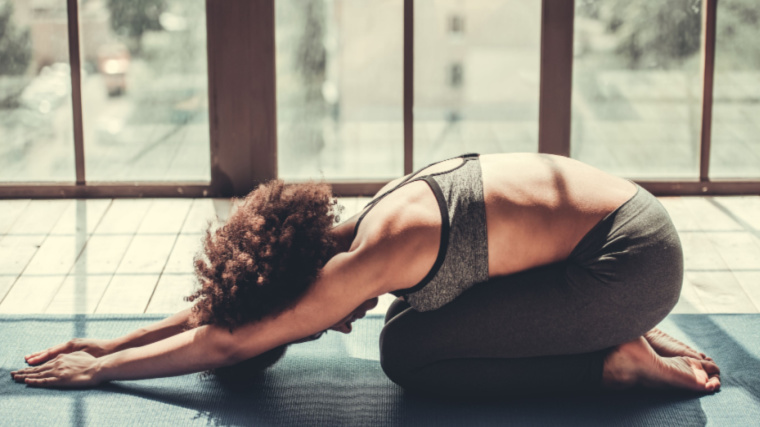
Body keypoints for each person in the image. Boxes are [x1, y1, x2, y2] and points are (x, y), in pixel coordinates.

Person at [11, 153, 720, 395]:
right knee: (413, 321)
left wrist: (102, 374)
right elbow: (230, 317)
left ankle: (616, 362)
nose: (331, 320)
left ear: (310, 278)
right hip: (624, 241)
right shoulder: (380, 209)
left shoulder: (385, 248)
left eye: (313, 313)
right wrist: (111, 340)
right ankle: (619, 329)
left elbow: (230, 341)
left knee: (409, 353)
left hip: (631, 269)